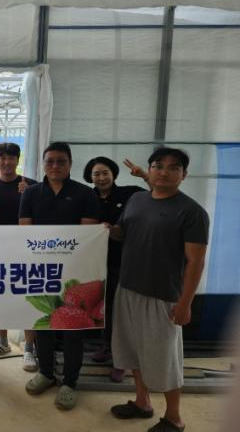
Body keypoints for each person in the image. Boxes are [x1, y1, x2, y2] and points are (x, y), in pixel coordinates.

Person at [108, 148, 209, 432]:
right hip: (128, 288)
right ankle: (142, 403)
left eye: (173, 167)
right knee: (132, 352)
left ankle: (174, 418)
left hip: (163, 296)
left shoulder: (192, 212)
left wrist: (185, 303)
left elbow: (196, 262)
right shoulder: (137, 199)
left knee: (164, 361)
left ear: (184, 174)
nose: (164, 172)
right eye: (157, 166)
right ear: (150, 170)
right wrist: (107, 230)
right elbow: (123, 232)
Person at [20, 142, 100, 411]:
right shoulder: (31, 193)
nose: (55, 166)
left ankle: (70, 382)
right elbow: (25, 231)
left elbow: (86, 235)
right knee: (44, 324)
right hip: (41, 270)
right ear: (43, 164)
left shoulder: (85, 194)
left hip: (75, 271)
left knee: (72, 329)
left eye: (61, 161)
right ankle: (45, 373)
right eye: (50, 161)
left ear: (70, 164)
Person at [83, 156, 147, 382]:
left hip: (122, 260)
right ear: (90, 177)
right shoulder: (86, 196)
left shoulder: (129, 194)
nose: (101, 178)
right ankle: (107, 347)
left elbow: (157, 192)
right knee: (104, 307)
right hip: (93, 262)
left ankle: (123, 361)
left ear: (113, 174)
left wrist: (144, 175)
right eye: (96, 174)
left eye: (105, 173)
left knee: (121, 310)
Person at [0, 143, 37, 367]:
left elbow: (41, 216)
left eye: (11, 158)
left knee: (28, 299)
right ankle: (3, 341)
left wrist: (29, 196)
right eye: (2, 158)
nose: (6, 162)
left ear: (17, 160)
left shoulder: (30, 185)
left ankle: (29, 348)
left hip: (25, 252)